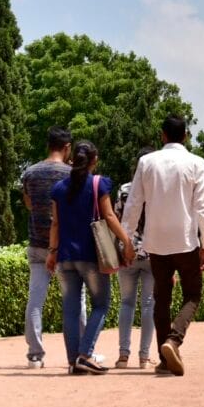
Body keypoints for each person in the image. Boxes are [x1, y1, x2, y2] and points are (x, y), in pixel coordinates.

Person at [122, 115, 204, 376]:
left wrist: (126, 239)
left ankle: (164, 360)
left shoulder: (147, 162)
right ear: (185, 136)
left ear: (162, 135)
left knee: (161, 297)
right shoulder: (197, 163)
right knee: (193, 294)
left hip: (156, 240)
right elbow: (203, 207)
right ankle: (173, 341)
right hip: (185, 240)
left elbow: (134, 204)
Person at [46, 141, 135, 374]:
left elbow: (55, 223)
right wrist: (126, 242)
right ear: (94, 160)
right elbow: (108, 215)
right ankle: (85, 354)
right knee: (101, 305)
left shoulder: (58, 189)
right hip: (91, 257)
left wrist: (52, 252)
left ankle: (73, 360)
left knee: (71, 310)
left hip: (65, 257)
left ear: (72, 159)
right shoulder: (98, 184)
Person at [20, 126, 73, 369]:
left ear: (47, 145)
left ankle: (35, 355)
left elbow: (29, 204)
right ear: (67, 148)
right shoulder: (72, 174)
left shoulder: (30, 173)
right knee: (74, 298)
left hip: (36, 244)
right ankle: (80, 351)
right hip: (63, 246)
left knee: (35, 300)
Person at [115, 147, 157, 369]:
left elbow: (117, 220)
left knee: (126, 303)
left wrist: (123, 247)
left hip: (128, 253)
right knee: (149, 304)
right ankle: (144, 357)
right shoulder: (159, 191)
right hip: (152, 254)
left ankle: (123, 355)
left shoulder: (124, 190)